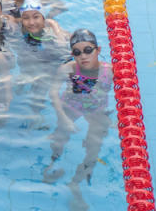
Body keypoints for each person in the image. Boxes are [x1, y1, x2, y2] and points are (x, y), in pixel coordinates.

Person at [43, 29, 112, 196]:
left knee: (94, 146)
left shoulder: (110, 71)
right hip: (71, 107)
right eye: (77, 52)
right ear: (72, 54)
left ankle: (78, 181)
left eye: (88, 50)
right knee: (60, 137)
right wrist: (64, 118)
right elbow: (53, 93)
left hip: (96, 110)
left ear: (98, 50)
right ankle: (53, 161)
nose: (83, 56)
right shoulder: (67, 69)